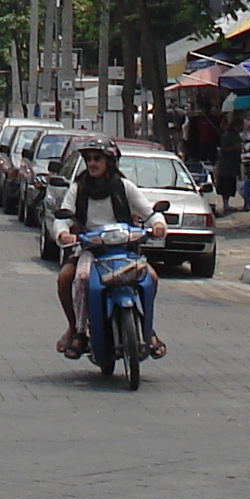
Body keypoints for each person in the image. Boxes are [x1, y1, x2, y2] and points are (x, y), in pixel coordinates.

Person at [54, 141, 165, 360]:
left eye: (98, 159)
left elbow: (150, 213)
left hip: (125, 251)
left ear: (110, 162)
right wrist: (64, 234)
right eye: (89, 160)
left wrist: (159, 225)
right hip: (90, 251)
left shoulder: (124, 187)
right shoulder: (78, 188)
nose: (92, 164)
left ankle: (147, 328)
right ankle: (78, 330)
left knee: (150, 277)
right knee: (77, 277)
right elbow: (63, 217)